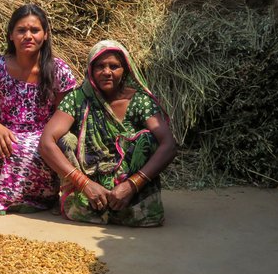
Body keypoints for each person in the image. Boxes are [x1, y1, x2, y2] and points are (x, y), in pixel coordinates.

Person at [38, 39, 176, 227]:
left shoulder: (140, 101)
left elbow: (168, 144)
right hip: (89, 187)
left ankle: (131, 203)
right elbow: (46, 142)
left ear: (125, 70)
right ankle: (85, 202)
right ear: (90, 70)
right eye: (100, 66)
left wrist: (132, 184)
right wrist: (84, 184)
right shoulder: (78, 98)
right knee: (64, 139)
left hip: (131, 187)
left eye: (114, 66)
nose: (107, 72)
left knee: (149, 139)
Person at [0, 4, 77, 215]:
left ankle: (42, 197)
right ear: (11, 35)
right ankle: (6, 195)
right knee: (7, 145)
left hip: (45, 134)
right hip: (5, 133)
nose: (28, 36)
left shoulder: (58, 70)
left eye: (35, 30)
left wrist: (46, 138)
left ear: (46, 34)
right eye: (21, 30)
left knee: (29, 147)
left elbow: (65, 118)